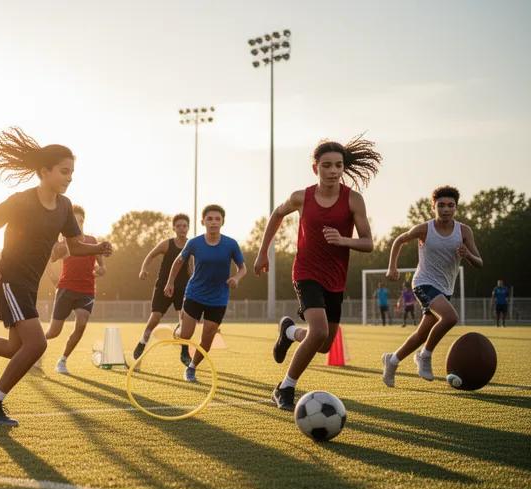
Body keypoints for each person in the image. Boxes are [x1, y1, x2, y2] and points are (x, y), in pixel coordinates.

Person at [0, 127, 112, 426]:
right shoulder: (21, 201)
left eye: (72, 173)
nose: (69, 178)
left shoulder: (65, 206)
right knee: (37, 344)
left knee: (17, 348)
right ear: (44, 171)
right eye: (64, 171)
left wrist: (98, 247)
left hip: (29, 285)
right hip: (9, 278)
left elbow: (75, 246)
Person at [254, 135, 382, 410]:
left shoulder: (353, 200)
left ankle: (289, 332)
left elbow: (368, 242)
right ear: (316, 168)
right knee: (320, 330)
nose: (333, 171)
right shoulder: (301, 197)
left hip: (336, 278)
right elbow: (277, 215)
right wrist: (263, 251)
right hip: (306, 272)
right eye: (327, 165)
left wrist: (344, 240)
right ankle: (284, 388)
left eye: (338, 165)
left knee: (322, 344)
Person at [381, 186, 483, 387]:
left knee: (422, 334)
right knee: (451, 317)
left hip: (445, 289)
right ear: (433, 206)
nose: (446, 209)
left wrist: (467, 254)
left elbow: (479, 262)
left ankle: (392, 360)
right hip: (423, 283)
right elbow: (399, 240)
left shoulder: (463, 231)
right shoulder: (424, 229)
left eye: (450, 205)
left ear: (456, 207)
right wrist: (392, 267)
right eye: (441, 205)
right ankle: (424, 356)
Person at [163, 205, 246, 382]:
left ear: (223, 222)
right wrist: (170, 282)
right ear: (203, 222)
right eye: (210, 219)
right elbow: (178, 262)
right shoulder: (194, 243)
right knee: (186, 335)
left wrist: (236, 278)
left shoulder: (231, 244)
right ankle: (178, 330)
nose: (214, 222)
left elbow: (242, 268)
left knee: (207, 340)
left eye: (217, 219)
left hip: (218, 298)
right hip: (195, 294)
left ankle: (191, 368)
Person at [42, 205, 106, 374]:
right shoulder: (63, 245)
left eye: (81, 221)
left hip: (86, 290)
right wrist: (52, 277)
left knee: (82, 323)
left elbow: (101, 262)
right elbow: (47, 259)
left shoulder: (92, 241)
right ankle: (33, 349)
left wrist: (102, 268)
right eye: (75, 221)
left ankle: (62, 360)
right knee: (54, 332)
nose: (79, 224)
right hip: (65, 289)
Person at [133, 214, 192, 364]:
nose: (182, 228)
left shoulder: (191, 245)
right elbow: (150, 255)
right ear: (174, 228)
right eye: (179, 226)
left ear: (188, 228)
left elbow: (192, 266)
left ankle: (184, 351)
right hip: (163, 286)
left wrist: (194, 278)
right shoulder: (167, 244)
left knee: (185, 319)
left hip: (183, 287)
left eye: (185, 226)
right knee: (155, 317)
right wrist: (143, 269)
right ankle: (142, 342)